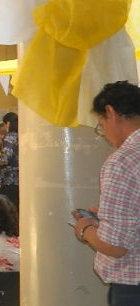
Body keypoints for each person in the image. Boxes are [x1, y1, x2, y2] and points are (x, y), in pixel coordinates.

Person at [71, 81, 140, 305]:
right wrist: (110, 215)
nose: (104, 135)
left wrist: (86, 229)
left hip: (133, 287)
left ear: (110, 112)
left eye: (101, 125)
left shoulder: (122, 162)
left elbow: (116, 245)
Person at [0, 113, 19, 209]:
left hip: (9, 179)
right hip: (20, 179)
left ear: (8, 124)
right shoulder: (21, 135)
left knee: (9, 209)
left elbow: (5, 158)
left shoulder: (10, 137)